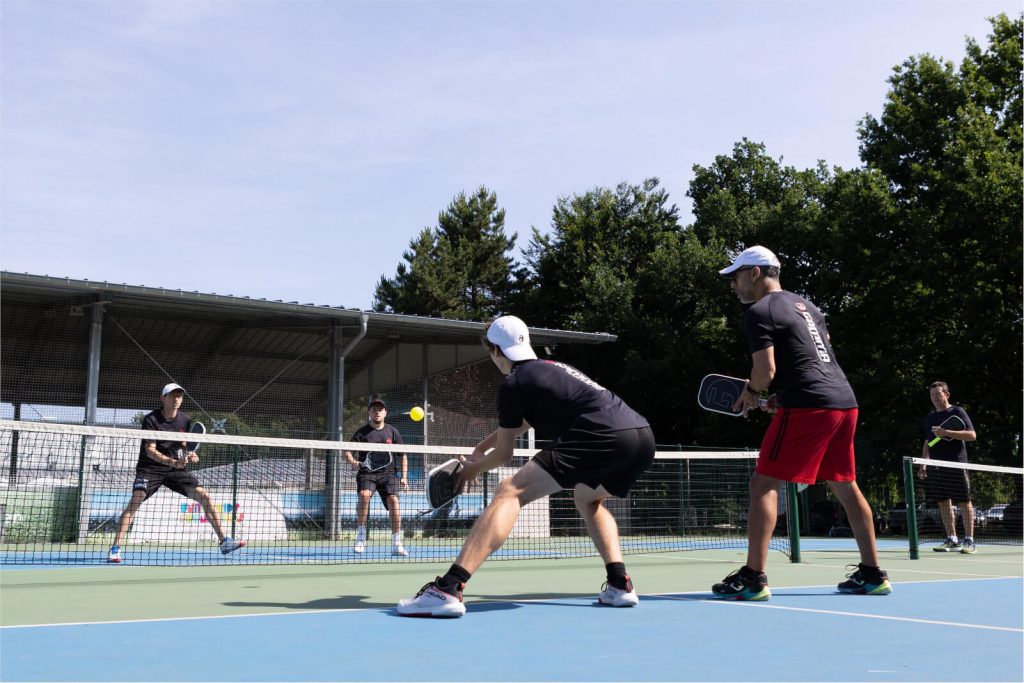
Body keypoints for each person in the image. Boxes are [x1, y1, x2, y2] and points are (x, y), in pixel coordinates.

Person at [396, 315, 655, 617]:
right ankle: (619, 584)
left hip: (600, 435)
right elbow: (525, 421)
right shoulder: (553, 368)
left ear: (495, 351)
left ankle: (448, 589)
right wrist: (482, 447)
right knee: (587, 498)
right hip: (641, 437)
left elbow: (504, 455)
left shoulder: (514, 382)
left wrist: (472, 469)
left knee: (510, 491)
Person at [713, 246, 891, 599]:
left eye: (736, 276)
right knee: (845, 486)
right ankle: (873, 574)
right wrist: (781, 395)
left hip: (810, 406)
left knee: (763, 483)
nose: (733, 284)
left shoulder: (758, 312)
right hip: (844, 402)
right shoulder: (808, 307)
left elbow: (765, 371)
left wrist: (752, 392)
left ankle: (753, 578)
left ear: (755, 273)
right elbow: (817, 357)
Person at [108, 383, 246, 562]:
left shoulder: (185, 420)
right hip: (150, 469)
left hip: (174, 470)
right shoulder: (151, 419)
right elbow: (150, 450)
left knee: (205, 496)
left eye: (179, 396)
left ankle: (224, 542)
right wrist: (174, 462)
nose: (176, 399)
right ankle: (115, 548)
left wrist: (191, 453)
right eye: (173, 395)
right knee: (136, 499)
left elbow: (183, 443)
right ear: (163, 398)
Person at [344, 397, 409, 556]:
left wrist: (404, 477)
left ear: (385, 412)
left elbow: (403, 455)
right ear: (369, 412)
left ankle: (396, 543)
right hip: (367, 474)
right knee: (364, 495)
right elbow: (347, 451)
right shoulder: (362, 432)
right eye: (374, 410)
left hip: (389, 474)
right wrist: (354, 462)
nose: (377, 412)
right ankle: (361, 538)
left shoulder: (392, 431)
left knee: (394, 501)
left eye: (380, 410)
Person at [919, 381, 977, 553]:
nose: (935, 398)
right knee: (943, 503)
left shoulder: (957, 412)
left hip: (956, 464)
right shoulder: (930, 418)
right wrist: (924, 463)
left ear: (947, 394)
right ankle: (952, 539)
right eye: (932, 395)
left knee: (964, 502)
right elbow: (928, 442)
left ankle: (969, 541)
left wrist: (946, 432)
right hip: (936, 467)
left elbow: (972, 435)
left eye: (938, 394)